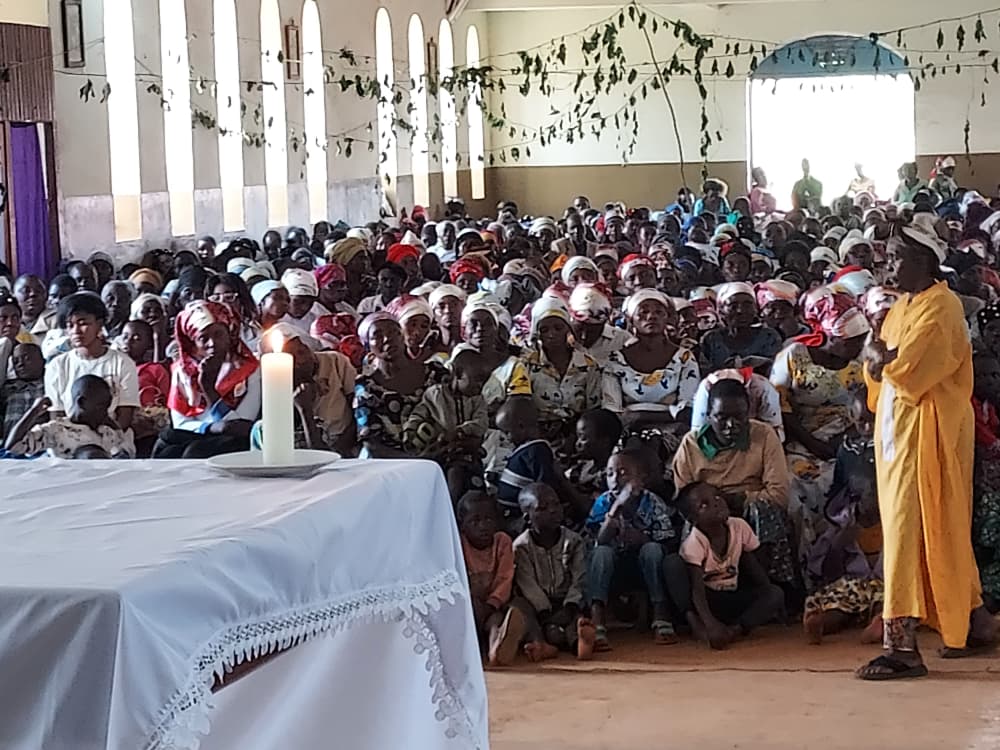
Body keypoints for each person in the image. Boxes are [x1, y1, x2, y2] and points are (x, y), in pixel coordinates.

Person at [859, 222, 996, 680]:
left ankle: (901, 646)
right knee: (937, 528)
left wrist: (881, 357)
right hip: (901, 436)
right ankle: (972, 621)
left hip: (929, 438)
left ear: (926, 260)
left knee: (914, 529)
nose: (889, 263)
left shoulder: (942, 306)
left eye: (898, 255)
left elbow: (903, 367)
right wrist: (879, 358)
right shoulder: (902, 307)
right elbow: (875, 364)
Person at [770, 287, 870, 552]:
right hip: (802, 440)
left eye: (862, 339)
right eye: (852, 340)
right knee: (795, 488)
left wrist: (847, 440)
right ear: (829, 335)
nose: (859, 345)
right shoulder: (794, 356)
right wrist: (814, 444)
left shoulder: (863, 362)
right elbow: (780, 407)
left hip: (852, 439)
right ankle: (809, 561)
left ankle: (852, 561)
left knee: (860, 486)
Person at [674, 379, 794, 588]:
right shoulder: (690, 445)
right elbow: (684, 498)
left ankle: (771, 586)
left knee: (764, 511)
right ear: (709, 416)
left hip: (750, 510)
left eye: (739, 416)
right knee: (692, 522)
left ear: (748, 412)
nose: (731, 425)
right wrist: (713, 508)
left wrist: (737, 499)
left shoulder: (765, 435)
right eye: (722, 417)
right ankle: (700, 590)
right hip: (709, 513)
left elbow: (780, 495)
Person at [802, 387, 884, 645]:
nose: (869, 429)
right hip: (853, 586)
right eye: (861, 422)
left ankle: (883, 622)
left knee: (893, 600)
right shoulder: (844, 521)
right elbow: (829, 571)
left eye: (874, 420)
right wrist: (840, 540)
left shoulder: (898, 525)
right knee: (839, 602)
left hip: (890, 588)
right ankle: (823, 623)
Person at [585, 447, 683, 650]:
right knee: (601, 553)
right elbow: (600, 539)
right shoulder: (604, 501)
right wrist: (617, 507)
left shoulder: (652, 502)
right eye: (610, 473)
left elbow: (667, 540)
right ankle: (597, 617)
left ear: (642, 478)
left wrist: (643, 539)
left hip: (644, 567)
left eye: (623, 473)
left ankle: (660, 613)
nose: (615, 479)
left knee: (652, 550)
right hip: (613, 569)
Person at [676, 482, 785, 649]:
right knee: (672, 566)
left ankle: (734, 630)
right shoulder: (694, 543)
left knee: (775, 593)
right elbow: (697, 591)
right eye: (704, 505)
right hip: (708, 601)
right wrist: (710, 623)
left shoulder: (739, 526)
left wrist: (768, 597)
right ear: (693, 519)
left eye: (717, 496)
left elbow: (754, 569)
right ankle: (702, 627)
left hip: (733, 596)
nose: (716, 503)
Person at [154, 300, 260, 459]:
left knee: (197, 451)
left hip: (234, 438)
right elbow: (181, 423)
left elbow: (241, 424)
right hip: (201, 431)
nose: (212, 343)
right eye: (203, 338)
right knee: (166, 444)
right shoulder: (182, 372)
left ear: (229, 334)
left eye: (218, 334)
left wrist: (208, 388)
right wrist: (211, 427)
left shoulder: (248, 369)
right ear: (193, 343)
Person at [603, 290, 700, 454]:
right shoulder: (615, 361)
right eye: (643, 312)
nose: (651, 317)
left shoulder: (684, 358)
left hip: (673, 431)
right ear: (631, 320)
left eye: (659, 312)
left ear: (667, 319)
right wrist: (667, 413)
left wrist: (641, 416)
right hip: (627, 431)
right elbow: (612, 411)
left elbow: (687, 408)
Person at [513, 483, 596, 661]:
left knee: (577, 620)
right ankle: (540, 642)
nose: (553, 511)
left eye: (556, 505)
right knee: (520, 607)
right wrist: (545, 613)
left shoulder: (574, 541)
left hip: (568, 603)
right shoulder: (521, 547)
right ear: (528, 518)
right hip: (539, 608)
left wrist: (569, 606)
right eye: (542, 508)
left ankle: (578, 643)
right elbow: (527, 583)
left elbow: (579, 577)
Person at [353, 312, 449, 459]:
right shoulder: (367, 388)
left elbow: (456, 414)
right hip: (392, 462)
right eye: (377, 336)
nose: (387, 338)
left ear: (402, 335)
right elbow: (372, 443)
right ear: (367, 346)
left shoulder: (435, 372)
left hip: (441, 452)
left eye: (393, 332)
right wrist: (417, 461)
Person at [403, 346, 489, 500]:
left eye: (484, 382)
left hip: (465, 451)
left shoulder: (477, 399)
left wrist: (459, 431)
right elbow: (419, 413)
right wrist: (410, 430)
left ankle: (453, 508)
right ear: (457, 374)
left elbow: (481, 423)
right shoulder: (435, 394)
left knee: (459, 476)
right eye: (477, 380)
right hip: (439, 448)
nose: (480, 386)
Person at [44, 292, 139, 430]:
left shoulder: (122, 363)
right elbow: (57, 417)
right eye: (70, 325)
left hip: (111, 439)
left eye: (83, 323)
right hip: (68, 439)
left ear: (99, 324)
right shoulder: (57, 366)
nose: (76, 331)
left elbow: (124, 418)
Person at [521, 297, 602, 452]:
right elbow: (524, 406)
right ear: (537, 333)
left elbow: (593, 406)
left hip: (578, 436)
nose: (552, 334)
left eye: (558, 328)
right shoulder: (527, 364)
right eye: (545, 330)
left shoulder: (588, 364)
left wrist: (576, 435)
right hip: (537, 436)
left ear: (568, 329)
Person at [457, 491, 526, 667]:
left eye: (488, 519)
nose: (483, 526)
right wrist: (470, 600)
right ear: (462, 525)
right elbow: (455, 577)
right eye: (475, 521)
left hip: (491, 606)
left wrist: (491, 605)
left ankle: (496, 648)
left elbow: (505, 577)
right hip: (466, 606)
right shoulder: (457, 544)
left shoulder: (502, 542)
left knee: (496, 621)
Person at [5, 376, 135, 458]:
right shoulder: (57, 430)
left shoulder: (107, 432)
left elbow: (126, 456)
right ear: (81, 403)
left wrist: (115, 427)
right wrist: (33, 411)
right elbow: (14, 446)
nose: (106, 412)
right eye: (101, 406)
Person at [971, 352, 1000, 612]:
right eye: (984, 376)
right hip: (978, 484)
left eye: (995, 375)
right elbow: (988, 442)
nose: (992, 381)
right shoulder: (967, 405)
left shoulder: (988, 407)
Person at [700, 282, 782, 372]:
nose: (740, 311)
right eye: (733, 306)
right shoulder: (711, 339)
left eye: (747, 305)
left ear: (755, 309)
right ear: (721, 311)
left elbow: (776, 371)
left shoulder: (769, 337)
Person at [119, 319, 170, 455]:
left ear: (148, 345)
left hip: (147, 426)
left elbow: (165, 400)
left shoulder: (155, 370)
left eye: (136, 339)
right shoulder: (113, 368)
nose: (128, 342)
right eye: (125, 337)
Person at [566, 408, 622, 501]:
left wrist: (562, 481)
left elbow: (590, 508)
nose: (577, 443)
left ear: (604, 442)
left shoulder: (610, 477)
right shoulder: (581, 467)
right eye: (578, 437)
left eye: (583, 438)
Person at [567, 283, 631, 366]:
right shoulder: (559, 339)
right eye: (579, 328)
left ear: (604, 323)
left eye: (592, 330)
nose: (584, 335)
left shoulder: (622, 340)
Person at [0, 342, 45, 439]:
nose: (21, 364)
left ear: (42, 361)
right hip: (10, 444)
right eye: (15, 361)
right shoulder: (8, 388)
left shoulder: (48, 386)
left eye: (27, 358)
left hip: (40, 444)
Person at [281, 268, 329, 333]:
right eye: (297, 301)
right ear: (285, 298)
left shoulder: (317, 317)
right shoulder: (276, 321)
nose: (305, 307)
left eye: (310, 303)